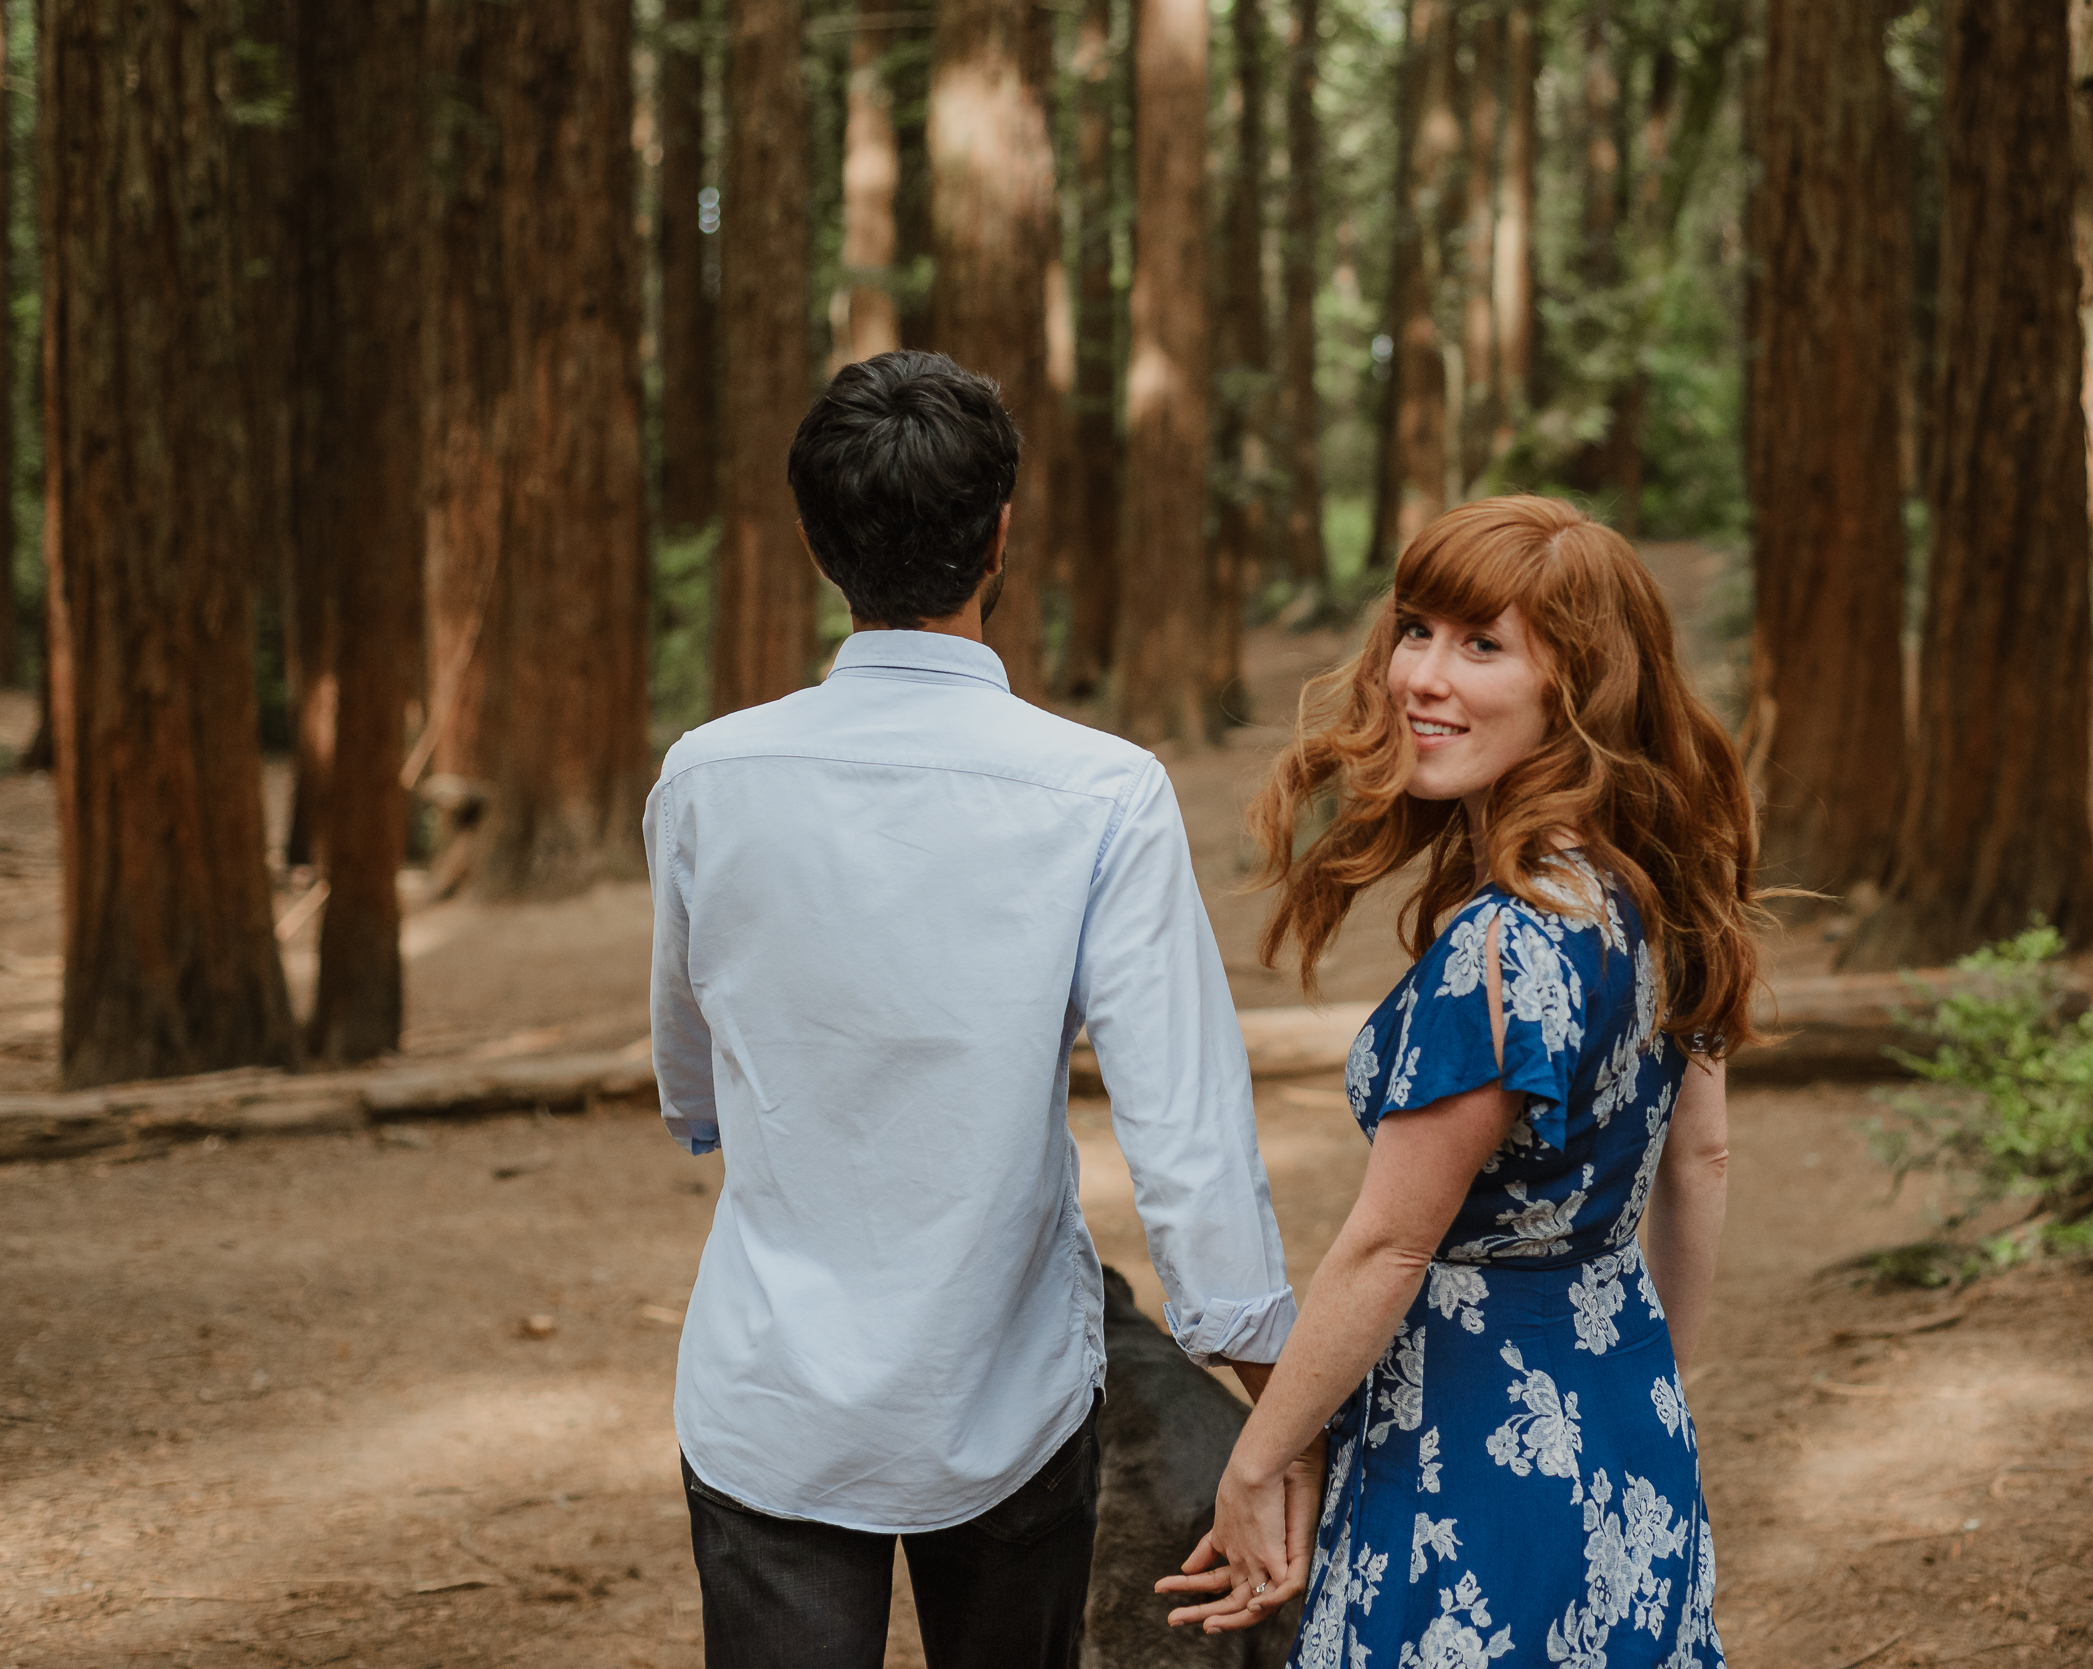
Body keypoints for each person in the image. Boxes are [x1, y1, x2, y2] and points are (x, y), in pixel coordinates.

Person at [645, 349, 1298, 1668]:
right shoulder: (1104, 791)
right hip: (1006, 1385)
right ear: (1003, 532)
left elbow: (693, 1074)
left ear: (815, 537)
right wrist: (1273, 1400)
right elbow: (1186, 1134)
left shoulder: (708, 778)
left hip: (768, 1391)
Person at [1159, 495, 1761, 1664]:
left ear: (1573, 688)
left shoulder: (1502, 948)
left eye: (1483, 645)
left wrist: (1258, 1457)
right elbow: (1701, 1158)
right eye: (1416, 630)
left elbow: (1387, 1248)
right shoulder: (1662, 896)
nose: (1420, 676)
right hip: (1627, 1429)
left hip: (1469, 1452)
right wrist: (1648, 1392)